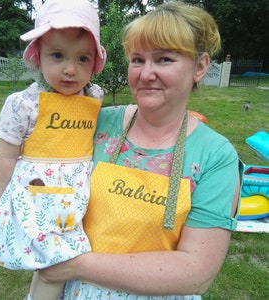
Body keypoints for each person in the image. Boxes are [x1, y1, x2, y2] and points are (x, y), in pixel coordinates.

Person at [37, 1, 242, 300]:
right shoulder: (95, 123)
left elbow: (195, 270)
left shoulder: (215, 156)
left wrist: (74, 264)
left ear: (200, 67)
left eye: (164, 60)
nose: (146, 74)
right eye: (137, 60)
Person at [0, 0, 106, 299]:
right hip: (39, 194)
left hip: (79, 194)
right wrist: (3, 203)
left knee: (56, 267)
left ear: (95, 62)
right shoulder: (24, 104)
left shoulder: (94, 97)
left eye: (82, 59)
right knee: (55, 267)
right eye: (57, 56)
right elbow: (6, 155)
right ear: (38, 56)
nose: (70, 69)